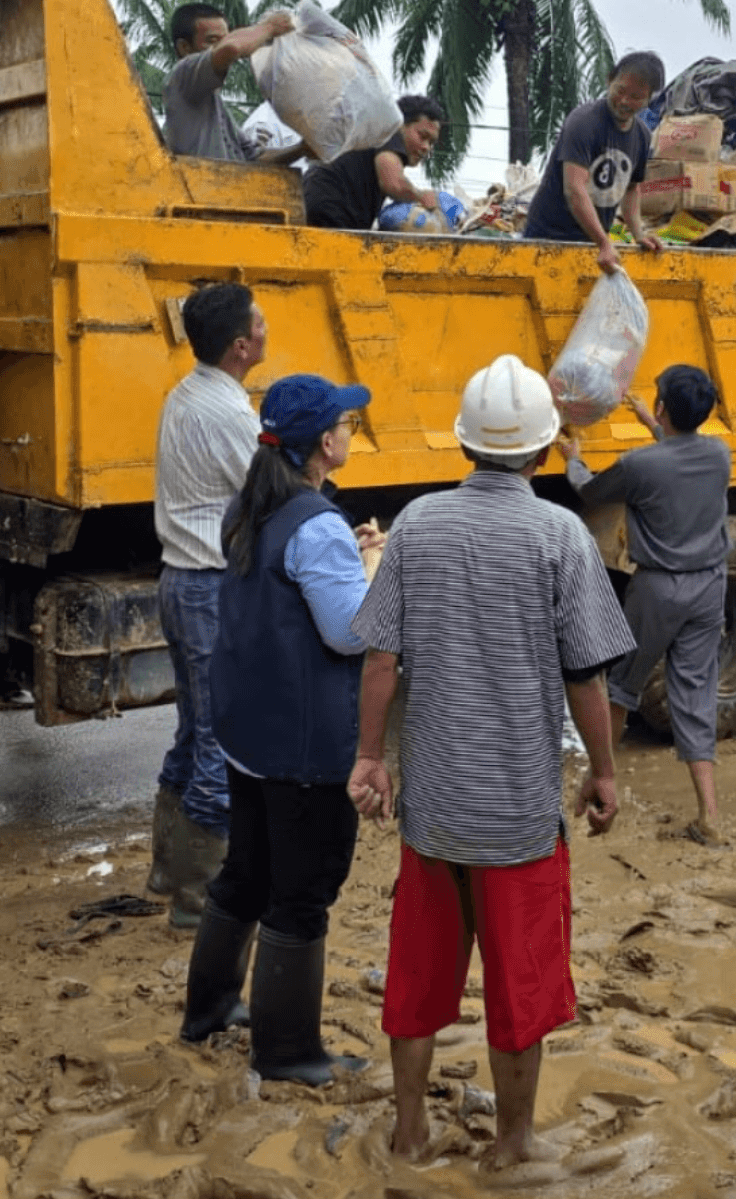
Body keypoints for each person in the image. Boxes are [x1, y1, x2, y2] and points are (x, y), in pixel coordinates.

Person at [347, 354, 636, 1170]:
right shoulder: (560, 536)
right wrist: (604, 771)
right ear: (545, 451)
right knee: (522, 987)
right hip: (517, 812)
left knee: (416, 978)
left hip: (433, 807)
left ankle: (409, 1134)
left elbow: (379, 663)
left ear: (463, 445)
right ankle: (512, 1145)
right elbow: (586, 675)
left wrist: (371, 758)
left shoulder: (417, 525)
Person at [179, 374, 384, 1080]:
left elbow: (292, 588)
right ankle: (289, 1051)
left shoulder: (255, 502)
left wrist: (347, 556)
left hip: (250, 734)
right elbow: (351, 633)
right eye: (347, 426)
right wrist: (377, 563)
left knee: (246, 874)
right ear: (325, 444)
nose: (351, 434)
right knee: (303, 891)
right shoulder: (317, 524)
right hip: (304, 745)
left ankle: (208, 1011)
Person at [556, 364, 732, 845]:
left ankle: (601, 783)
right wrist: (653, 426)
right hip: (710, 586)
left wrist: (573, 457)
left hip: (658, 590)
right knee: (695, 696)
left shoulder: (639, 466)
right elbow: (678, 457)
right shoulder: (720, 453)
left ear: (660, 406)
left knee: (622, 686)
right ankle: (710, 815)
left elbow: (590, 490)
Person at [150, 282, 265, 927]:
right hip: (206, 585)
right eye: (260, 323)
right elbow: (264, 493)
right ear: (242, 346)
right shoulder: (226, 413)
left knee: (195, 733)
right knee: (221, 746)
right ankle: (198, 900)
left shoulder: (190, 392)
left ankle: (170, 870)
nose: (267, 330)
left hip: (182, 579)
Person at [522, 52, 668, 275]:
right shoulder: (583, 122)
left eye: (636, 97)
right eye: (620, 90)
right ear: (610, 79)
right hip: (546, 239)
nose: (625, 101)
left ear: (649, 99)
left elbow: (631, 190)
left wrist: (639, 234)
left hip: (591, 247)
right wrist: (604, 243)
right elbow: (575, 189)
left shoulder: (642, 136)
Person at [161, 2, 305, 165]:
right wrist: (270, 26)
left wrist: (302, 149)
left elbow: (254, 160)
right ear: (184, 48)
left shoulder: (214, 104)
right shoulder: (182, 76)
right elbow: (231, 48)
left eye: (225, 38)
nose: (220, 46)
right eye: (212, 41)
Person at [301, 94, 446, 230]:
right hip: (331, 211)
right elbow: (393, 184)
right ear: (401, 124)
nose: (426, 147)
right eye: (422, 136)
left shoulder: (371, 132)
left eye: (431, 142)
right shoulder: (390, 130)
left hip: (316, 206)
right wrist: (423, 197)